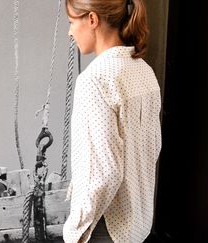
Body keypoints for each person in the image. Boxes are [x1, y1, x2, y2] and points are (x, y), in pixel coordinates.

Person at [62, 0, 161, 242]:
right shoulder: (144, 71)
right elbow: (153, 148)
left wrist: (74, 231)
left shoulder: (94, 80)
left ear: (92, 20)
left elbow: (103, 175)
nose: (70, 32)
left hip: (106, 229)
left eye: (72, 22)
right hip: (137, 227)